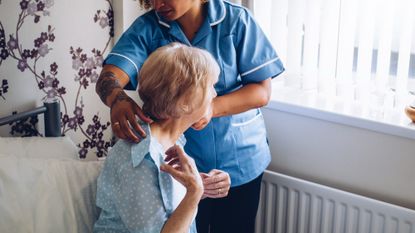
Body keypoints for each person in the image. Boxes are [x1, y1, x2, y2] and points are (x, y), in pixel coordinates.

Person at [95, 0, 285, 232]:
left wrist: (210, 107)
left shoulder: (237, 20)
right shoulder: (146, 162)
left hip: (238, 160)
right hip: (181, 169)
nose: (157, 4)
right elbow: (110, 77)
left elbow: (262, 91)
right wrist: (117, 98)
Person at [94, 43, 230, 233]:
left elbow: (164, 201)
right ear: (185, 102)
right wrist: (194, 192)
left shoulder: (170, 141)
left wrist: (200, 184)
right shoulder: (139, 160)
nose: (214, 94)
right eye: (210, 87)